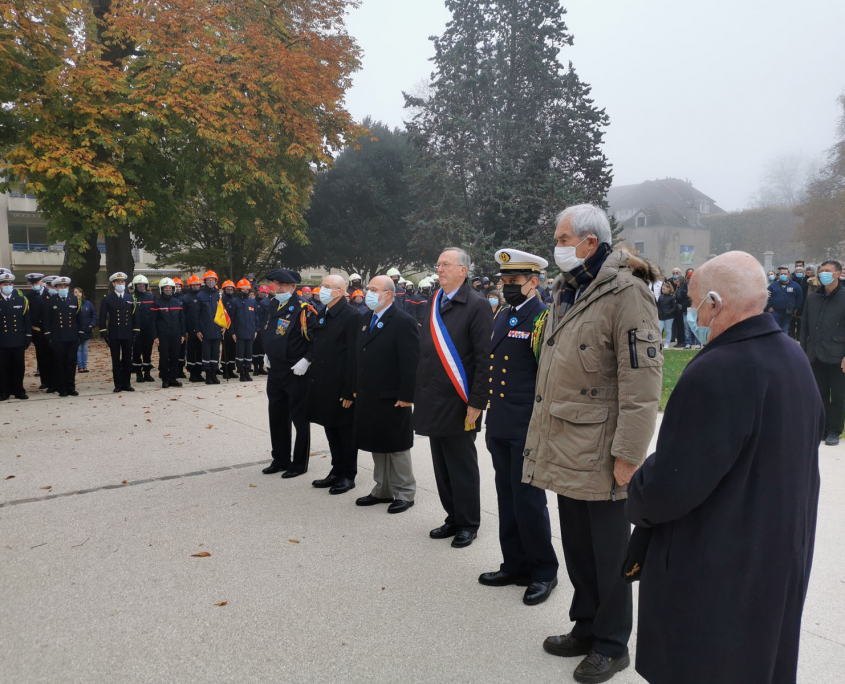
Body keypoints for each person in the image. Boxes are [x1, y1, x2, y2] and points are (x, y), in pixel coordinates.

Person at [625, 251, 824, 684]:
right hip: (776, 550)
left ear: (714, 303)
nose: (693, 313)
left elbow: (675, 483)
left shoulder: (718, 369)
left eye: (695, 301)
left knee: (705, 661)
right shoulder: (793, 356)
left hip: (717, 559)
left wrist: (636, 490)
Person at [524, 204, 662, 683]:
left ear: (589, 242)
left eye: (563, 238)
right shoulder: (568, 287)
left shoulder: (627, 293)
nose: (557, 246)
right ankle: (585, 627)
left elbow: (643, 384)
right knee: (579, 548)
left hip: (603, 450)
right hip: (566, 441)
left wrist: (629, 455)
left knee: (609, 555)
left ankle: (612, 644)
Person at [479, 249, 559, 606]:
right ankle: (514, 564)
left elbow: (549, 377)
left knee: (528, 500)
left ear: (534, 281)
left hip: (527, 423)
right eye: (505, 281)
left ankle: (543, 571)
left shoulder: (544, 318)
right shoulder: (503, 313)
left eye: (514, 281)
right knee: (507, 496)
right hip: (501, 422)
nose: (507, 286)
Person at [414, 247, 494, 548]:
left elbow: (485, 358)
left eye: (446, 264)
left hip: (459, 400)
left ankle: (469, 522)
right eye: (438, 264)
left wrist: (477, 402)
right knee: (442, 464)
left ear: (463, 270)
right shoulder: (435, 299)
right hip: (433, 396)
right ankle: (453, 516)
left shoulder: (477, 304)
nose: (439, 269)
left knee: (461, 464)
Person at [354, 275, 420, 513]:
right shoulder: (365, 318)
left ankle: (405, 492)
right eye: (369, 288)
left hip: (393, 395)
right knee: (377, 441)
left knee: (396, 445)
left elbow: (411, 363)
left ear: (388, 294)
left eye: (374, 289)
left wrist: (407, 395)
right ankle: (382, 489)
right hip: (370, 392)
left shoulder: (403, 321)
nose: (368, 293)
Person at [261, 268, 318, 478]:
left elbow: (318, 340)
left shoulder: (304, 309)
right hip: (275, 370)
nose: (278, 288)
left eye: (283, 285)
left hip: (297, 371)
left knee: (299, 419)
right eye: (276, 284)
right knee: (277, 417)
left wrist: (307, 360)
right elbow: (270, 332)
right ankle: (280, 459)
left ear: (293, 287)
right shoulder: (272, 305)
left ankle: (299, 464)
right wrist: (267, 353)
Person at [307, 275, 360, 495]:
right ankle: (336, 469)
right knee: (330, 428)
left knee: (345, 431)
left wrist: (349, 390)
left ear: (340, 291)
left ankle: (348, 474)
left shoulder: (352, 316)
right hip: (324, 382)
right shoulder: (324, 312)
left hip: (341, 385)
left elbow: (354, 357)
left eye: (327, 286)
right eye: (322, 286)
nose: (322, 289)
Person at [801, 260, 845, 446]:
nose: (823, 274)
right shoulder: (812, 298)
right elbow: (804, 326)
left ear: (838, 274)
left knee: (838, 395)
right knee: (819, 394)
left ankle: (835, 430)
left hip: (838, 356)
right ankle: (823, 428)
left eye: (827, 271)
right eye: (821, 271)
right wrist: (803, 352)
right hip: (815, 354)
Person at [44, 276, 84, 397]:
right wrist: (48, 334)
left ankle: (71, 387)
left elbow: (79, 318)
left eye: (65, 286)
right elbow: (47, 319)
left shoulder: (75, 300)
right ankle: (62, 388)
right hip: (58, 337)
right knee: (59, 363)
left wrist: (81, 332)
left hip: (72, 336)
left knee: (71, 363)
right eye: (61, 286)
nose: (63, 288)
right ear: (56, 288)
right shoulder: (51, 300)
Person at [99, 272, 137, 392]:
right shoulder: (108, 298)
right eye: (118, 282)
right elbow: (102, 317)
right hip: (114, 333)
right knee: (116, 360)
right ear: (113, 284)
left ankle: (127, 383)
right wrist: (104, 333)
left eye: (122, 282)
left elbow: (135, 316)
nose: (121, 284)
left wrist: (136, 331)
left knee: (127, 359)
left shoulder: (131, 298)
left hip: (127, 333)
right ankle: (118, 384)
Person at [0, 271, 32, 401]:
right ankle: (4, 391)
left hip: (18, 338)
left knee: (19, 367)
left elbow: (26, 320)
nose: (8, 286)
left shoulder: (21, 299)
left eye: (10, 284)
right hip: (2, 339)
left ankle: (19, 390)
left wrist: (28, 336)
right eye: (5, 284)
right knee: (3, 367)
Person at [150, 277, 186, 388]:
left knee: (175, 357)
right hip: (163, 335)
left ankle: (173, 378)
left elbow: (182, 319)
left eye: (170, 288)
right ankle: (165, 379)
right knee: (164, 357)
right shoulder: (157, 303)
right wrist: (155, 336)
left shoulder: (178, 303)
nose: (168, 290)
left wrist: (183, 334)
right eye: (165, 288)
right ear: (161, 289)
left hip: (176, 334)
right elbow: (153, 321)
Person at [24, 272, 52, 391]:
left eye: (36, 282)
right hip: (37, 331)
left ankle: (54, 380)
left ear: (41, 281)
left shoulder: (49, 293)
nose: (35, 285)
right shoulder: (28, 296)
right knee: (41, 357)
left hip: (50, 330)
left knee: (53, 356)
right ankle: (45, 380)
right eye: (32, 283)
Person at [195, 270, 223, 384]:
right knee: (206, 354)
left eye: (212, 280)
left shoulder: (220, 295)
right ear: (205, 281)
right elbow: (196, 315)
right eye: (208, 280)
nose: (211, 282)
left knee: (215, 353)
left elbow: (223, 312)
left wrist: (224, 325)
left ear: (216, 281)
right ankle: (207, 375)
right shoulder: (200, 296)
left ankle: (214, 375)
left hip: (217, 329)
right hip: (205, 330)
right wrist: (197, 330)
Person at [230, 278, 258, 382]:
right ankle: (241, 372)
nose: (245, 290)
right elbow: (232, 318)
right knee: (240, 354)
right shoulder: (235, 301)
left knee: (249, 354)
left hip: (250, 332)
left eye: (246, 289)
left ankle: (247, 372)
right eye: (243, 289)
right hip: (239, 332)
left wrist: (256, 330)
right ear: (239, 290)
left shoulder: (252, 301)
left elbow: (256, 317)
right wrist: (232, 332)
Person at [131, 274, 155, 383]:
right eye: (139, 285)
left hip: (148, 330)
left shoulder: (151, 297)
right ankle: (138, 374)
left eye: (143, 285)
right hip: (135, 331)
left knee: (147, 352)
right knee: (136, 352)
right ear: (135, 285)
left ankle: (147, 373)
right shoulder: (131, 297)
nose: (141, 286)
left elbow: (154, 314)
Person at [767, 266, 804, 334]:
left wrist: (796, 309)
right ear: (778, 275)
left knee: (785, 329)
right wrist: (768, 307)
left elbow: (800, 297)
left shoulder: (795, 285)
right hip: (775, 312)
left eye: (785, 274)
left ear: (789, 275)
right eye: (781, 274)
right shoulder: (772, 286)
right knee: (774, 329)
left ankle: (783, 340)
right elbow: (767, 296)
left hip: (788, 313)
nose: (783, 275)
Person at [182, 274, 204, 383]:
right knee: (191, 352)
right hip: (190, 330)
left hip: (202, 329)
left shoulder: (203, 296)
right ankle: (192, 373)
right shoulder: (185, 298)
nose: (196, 287)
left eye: (197, 285)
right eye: (193, 285)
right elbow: (183, 316)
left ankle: (199, 372)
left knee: (200, 352)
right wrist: (185, 331)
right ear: (189, 286)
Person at [74, 287, 97, 373]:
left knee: (85, 348)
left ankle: (84, 365)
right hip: (76, 330)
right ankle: (80, 366)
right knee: (79, 348)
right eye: (75, 292)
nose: (77, 293)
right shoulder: (72, 303)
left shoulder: (88, 304)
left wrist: (91, 324)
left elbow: (93, 314)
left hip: (87, 329)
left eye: (79, 292)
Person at [220, 279, 238, 379]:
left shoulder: (234, 300)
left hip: (233, 328)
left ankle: (231, 369)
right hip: (224, 327)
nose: (229, 291)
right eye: (227, 289)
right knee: (225, 350)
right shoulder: (221, 300)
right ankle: (225, 370)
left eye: (231, 289)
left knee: (233, 350)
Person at [252, 285, 271, 375]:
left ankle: (261, 367)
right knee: (255, 349)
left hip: (264, 329)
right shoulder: (253, 302)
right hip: (255, 328)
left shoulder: (267, 302)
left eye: (265, 293)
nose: (263, 294)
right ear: (258, 291)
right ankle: (255, 368)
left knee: (263, 349)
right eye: (262, 292)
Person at [172, 277, 187, 378]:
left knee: (182, 351)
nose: (177, 288)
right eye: (176, 286)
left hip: (182, 328)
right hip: (173, 328)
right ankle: (173, 370)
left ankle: (180, 370)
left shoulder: (183, 299)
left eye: (179, 286)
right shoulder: (170, 299)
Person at [656, 281, 678, 348]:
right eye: (662, 289)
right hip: (661, 316)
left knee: (668, 330)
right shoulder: (660, 297)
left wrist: (669, 312)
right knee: (660, 329)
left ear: (668, 289)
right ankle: (659, 342)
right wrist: (659, 312)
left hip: (669, 317)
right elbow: (658, 305)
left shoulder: (672, 297)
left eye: (664, 289)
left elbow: (674, 307)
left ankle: (667, 343)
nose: (662, 290)